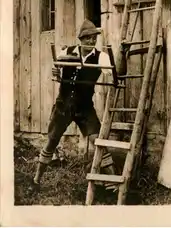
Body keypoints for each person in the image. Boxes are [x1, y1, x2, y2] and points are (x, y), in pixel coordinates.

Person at [32, 19, 116, 189]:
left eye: (94, 38)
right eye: (87, 38)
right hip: (63, 106)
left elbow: (116, 73)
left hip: (84, 107)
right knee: (52, 141)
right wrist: (56, 71)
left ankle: (114, 182)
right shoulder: (67, 51)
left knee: (97, 140)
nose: (91, 41)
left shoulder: (102, 57)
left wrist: (122, 59)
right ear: (80, 39)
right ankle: (36, 179)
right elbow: (58, 70)